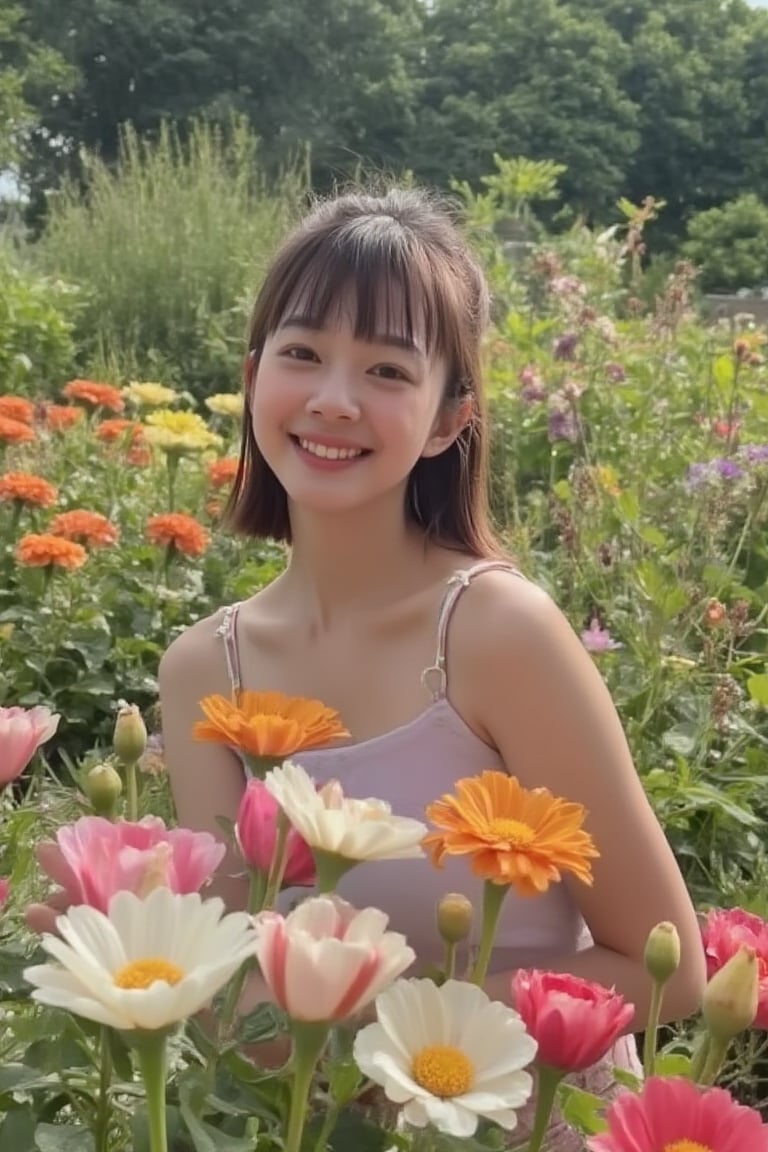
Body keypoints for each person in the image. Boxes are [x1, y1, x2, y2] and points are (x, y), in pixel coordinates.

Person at [159, 187, 705, 1146]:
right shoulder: (205, 667)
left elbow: (667, 968)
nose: (334, 399)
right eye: (301, 354)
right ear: (252, 379)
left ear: (452, 417)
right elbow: (227, 998)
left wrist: (397, 1029)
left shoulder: (500, 634)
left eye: (385, 368)